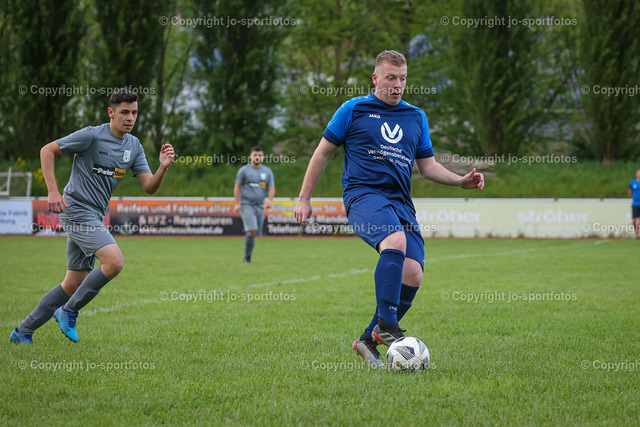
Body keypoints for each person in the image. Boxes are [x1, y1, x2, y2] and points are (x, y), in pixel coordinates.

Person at [294, 50, 484, 368]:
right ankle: (387, 326)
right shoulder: (353, 109)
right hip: (363, 195)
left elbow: (427, 167)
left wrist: (460, 181)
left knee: (413, 273)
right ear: (375, 78)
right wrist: (304, 197)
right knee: (394, 241)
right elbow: (323, 152)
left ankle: (368, 340)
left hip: (400, 202)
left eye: (403, 79)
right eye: (391, 78)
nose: (397, 84)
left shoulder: (416, 117)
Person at [9, 88, 175, 345]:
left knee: (73, 284)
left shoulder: (134, 146)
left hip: (95, 215)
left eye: (134, 113)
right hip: (75, 209)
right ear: (111, 112)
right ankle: (68, 311)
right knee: (114, 262)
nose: (130, 118)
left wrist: (162, 168)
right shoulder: (91, 135)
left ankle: (22, 332)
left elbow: (149, 187)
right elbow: (47, 150)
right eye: (124, 112)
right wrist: (52, 191)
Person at [233, 146, 275, 263]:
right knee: (252, 229)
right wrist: (237, 203)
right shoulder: (244, 170)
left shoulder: (267, 171)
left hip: (259, 206)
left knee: (255, 232)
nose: (257, 157)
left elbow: (271, 188)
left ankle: (247, 255)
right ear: (250, 157)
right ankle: (247, 258)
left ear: (263, 157)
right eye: (255, 155)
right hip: (246, 204)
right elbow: (237, 187)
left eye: (260, 155)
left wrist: (269, 200)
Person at [629, 168, 640, 239]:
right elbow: (630, 192)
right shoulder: (632, 182)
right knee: (634, 220)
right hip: (635, 203)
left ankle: (639, 234)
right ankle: (637, 233)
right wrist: (633, 198)